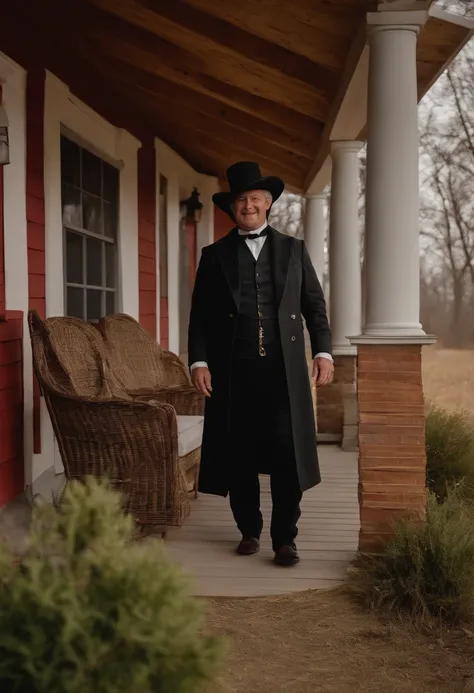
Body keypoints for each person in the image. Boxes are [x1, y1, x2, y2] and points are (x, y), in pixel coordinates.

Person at [188, 161, 333, 567]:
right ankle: (249, 530)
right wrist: (198, 360)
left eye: (254, 199)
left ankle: (285, 538)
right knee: (240, 455)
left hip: (283, 373)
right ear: (231, 208)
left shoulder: (294, 250)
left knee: (287, 454)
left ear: (268, 203)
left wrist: (323, 351)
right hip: (233, 371)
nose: (248, 206)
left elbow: (314, 308)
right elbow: (199, 316)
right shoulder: (214, 256)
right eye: (240, 200)